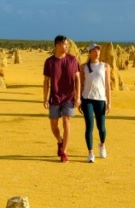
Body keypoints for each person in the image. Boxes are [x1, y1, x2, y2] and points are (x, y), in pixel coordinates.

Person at [42, 34, 80, 162]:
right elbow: (46, 81)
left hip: (69, 97)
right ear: (57, 45)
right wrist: (45, 98)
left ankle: (65, 151)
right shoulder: (49, 62)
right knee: (53, 125)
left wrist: (78, 96)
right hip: (54, 97)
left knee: (66, 122)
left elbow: (77, 79)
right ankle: (60, 141)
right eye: (64, 44)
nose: (67, 46)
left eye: (67, 44)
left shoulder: (73, 60)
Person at [79, 43, 111, 163]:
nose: (96, 52)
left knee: (101, 127)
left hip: (101, 99)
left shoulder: (105, 66)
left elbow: (107, 85)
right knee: (89, 127)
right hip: (87, 99)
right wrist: (79, 100)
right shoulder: (84, 67)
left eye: (98, 50)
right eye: (93, 50)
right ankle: (90, 153)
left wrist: (109, 102)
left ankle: (102, 145)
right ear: (89, 53)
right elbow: (81, 84)